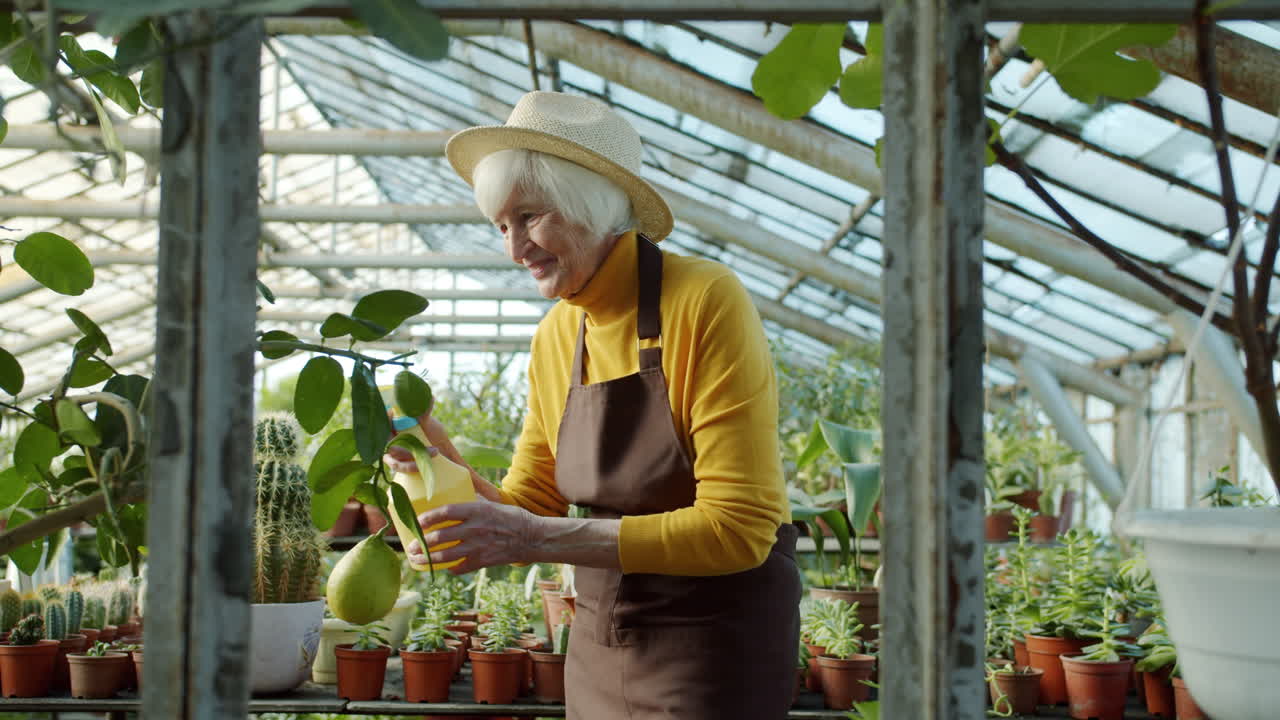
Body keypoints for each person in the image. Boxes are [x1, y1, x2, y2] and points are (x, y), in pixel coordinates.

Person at [386, 91, 800, 719]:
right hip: (601, 640)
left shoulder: (704, 300)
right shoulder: (558, 334)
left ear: (588, 204)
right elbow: (532, 506)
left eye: (529, 216)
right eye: (501, 226)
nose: (514, 249)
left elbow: (738, 530)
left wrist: (531, 535)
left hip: (714, 646)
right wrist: (437, 464)